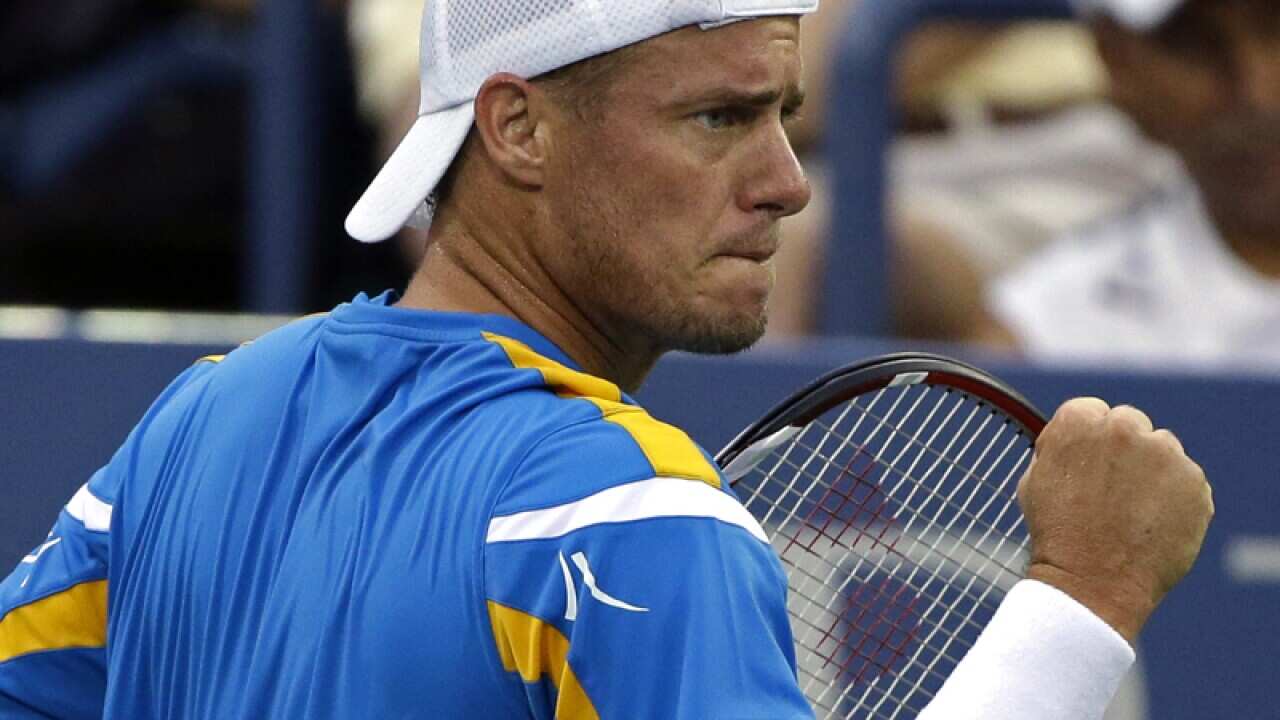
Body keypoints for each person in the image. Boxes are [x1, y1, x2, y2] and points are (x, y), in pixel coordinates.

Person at [0, 1, 1213, 718]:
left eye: (783, 117)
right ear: (516, 127)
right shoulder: (631, 516)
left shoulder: (192, 426)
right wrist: (1080, 600)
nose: (785, 183)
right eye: (717, 119)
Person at [969, 0, 1280, 368]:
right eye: (1195, 45)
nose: (1258, 93)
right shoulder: (1046, 328)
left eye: (1275, 30)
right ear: (1119, 62)